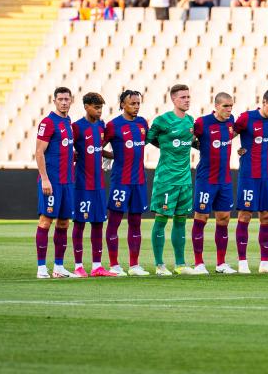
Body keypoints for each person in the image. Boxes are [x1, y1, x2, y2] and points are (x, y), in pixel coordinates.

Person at [146, 84, 196, 276]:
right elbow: (148, 139)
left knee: (181, 221)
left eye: (188, 96)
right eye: (183, 97)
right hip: (166, 179)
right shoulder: (162, 121)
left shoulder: (190, 121)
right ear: (174, 100)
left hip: (185, 180)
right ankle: (159, 265)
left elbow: (193, 142)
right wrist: (165, 146)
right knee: (161, 220)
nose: (187, 100)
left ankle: (180, 265)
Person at [233, 89, 268, 274]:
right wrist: (242, 150)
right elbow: (229, 133)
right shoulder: (246, 118)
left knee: (267, 216)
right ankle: (242, 262)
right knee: (245, 215)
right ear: (263, 103)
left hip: (267, 175)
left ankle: (264, 263)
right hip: (248, 175)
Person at [103, 90, 150, 277]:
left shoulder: (142, 123)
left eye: (138, 103)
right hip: (120, 181)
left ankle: (134, 265)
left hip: (139, 181)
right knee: (114, 222)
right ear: (122, 104)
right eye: (132, 103)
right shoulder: (113, 125)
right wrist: (112, 156)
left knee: (136, 223)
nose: (136, 106)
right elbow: (97, 147)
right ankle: (114, 265)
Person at [191, 93, 239, 275]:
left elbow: (232, 135)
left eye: (231, 106)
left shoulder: (231, 121)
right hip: (206, 179)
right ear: (216, 105)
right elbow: (189, 139)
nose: (229, 110)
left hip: (224, 179)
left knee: (224, 219)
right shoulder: (202, 123)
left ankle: (221, 263)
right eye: (226, 106)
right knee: (201, 218)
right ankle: (199, 263)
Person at [71, 92, 117, 278]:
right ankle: (78, 266)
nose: (99, 111)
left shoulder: (101, 125)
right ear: (86, 106)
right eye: (96, 107)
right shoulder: (76, 127)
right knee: (80, 224)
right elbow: (68, 149)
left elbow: (98, 149)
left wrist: (114, 155)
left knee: (98, 223)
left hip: (98, 184)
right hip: (82, 184)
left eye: (101, 108)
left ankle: (97, 266)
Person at [34, 87, 76, 279]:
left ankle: (58, 267)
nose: (64, 102)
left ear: (71, 100)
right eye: (60, 99)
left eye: (67, 99)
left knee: (63, 223)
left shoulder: (68, 122)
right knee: (45, 221)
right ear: (54, 101)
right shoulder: (48, 122)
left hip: (67, 182)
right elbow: (39, 152)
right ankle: (42, 268)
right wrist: (44, 178)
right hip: (52, 182)